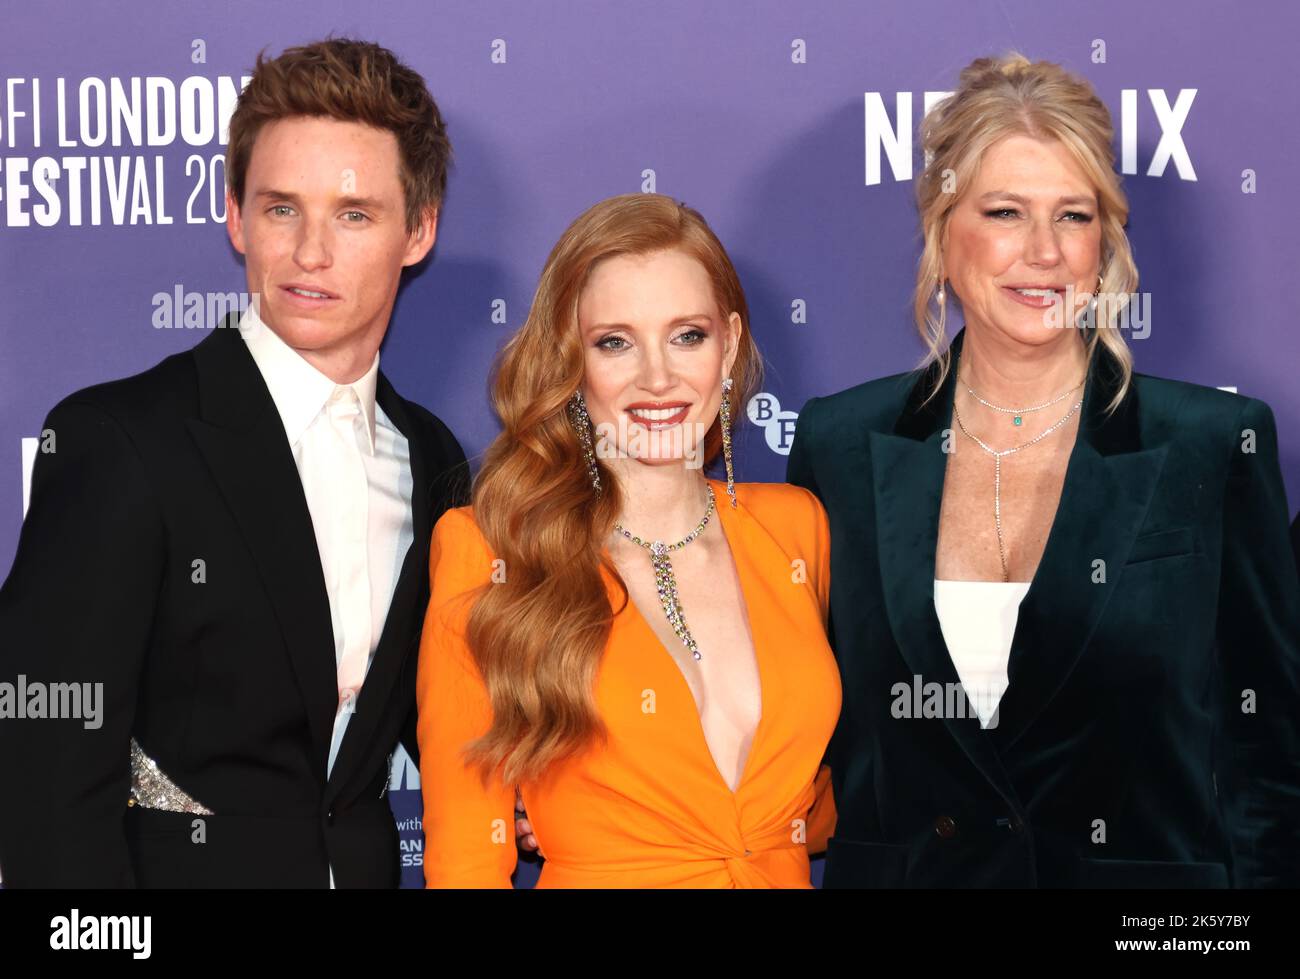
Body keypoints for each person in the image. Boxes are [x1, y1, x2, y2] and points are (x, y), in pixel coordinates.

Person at [786, 53, 1300, 888]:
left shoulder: (1213, 444)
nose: (1045, 252)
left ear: (1106, 241)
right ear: (943, 229)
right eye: (1004, 212)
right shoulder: (842, 443)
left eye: (1074, 215)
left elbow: (1270, 758)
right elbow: (793, 707)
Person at [0, 38, 467, 887]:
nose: (310, 252)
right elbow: (45, 788)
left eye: (355, 213)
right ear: (235, 215)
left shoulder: (432, 459)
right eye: (282, 208)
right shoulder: (121, 440)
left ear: (419, 229)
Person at [418, 193, 838, 887]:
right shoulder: (492, 552)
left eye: (687, 335)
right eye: (615, 341)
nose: (658, 377)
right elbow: (466, 862)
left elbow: (815, 793)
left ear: (729, 344)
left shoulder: (795, 528)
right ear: (568, 359)